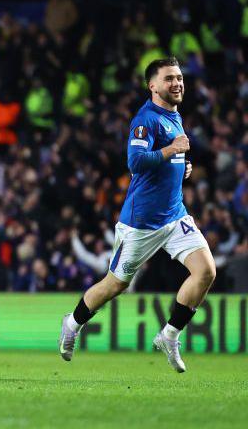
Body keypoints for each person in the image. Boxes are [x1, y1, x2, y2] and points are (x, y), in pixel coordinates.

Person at [59, 58, 216, 372]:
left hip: (174, 217)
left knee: (206, 272)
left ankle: (169, 335)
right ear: (153, 85)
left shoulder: (174, 115)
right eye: (169, 78)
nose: (178, 83)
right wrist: (172, 151)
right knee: (115, 285)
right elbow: (136, 162)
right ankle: (73, 322)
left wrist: (180, 164)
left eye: (180, 78)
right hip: (141, 223)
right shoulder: (145, 120)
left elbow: (168, 157)